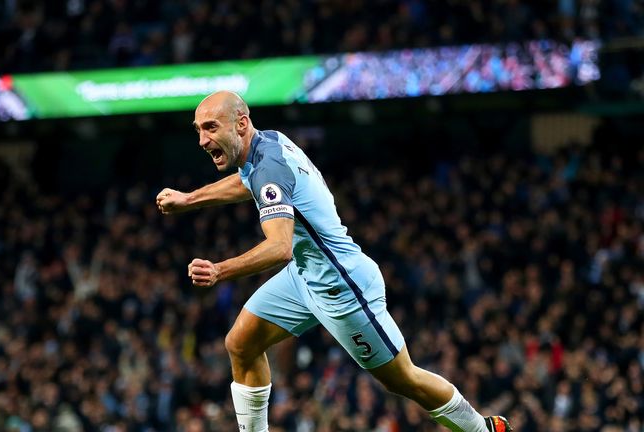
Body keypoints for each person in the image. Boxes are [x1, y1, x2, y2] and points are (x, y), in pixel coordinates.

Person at [156, 91, 513, 432]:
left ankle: (482, 428)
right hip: (304, 274)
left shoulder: (269, 168)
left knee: (403, 379)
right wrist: (189, 199)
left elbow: (279, 247)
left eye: (211, 128)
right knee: (241, 344)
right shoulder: (267, 144)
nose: (202, 140)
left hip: (340, 286)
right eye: (198, 130)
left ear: (241, 124)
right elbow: (247, 183)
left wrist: (219, 270)